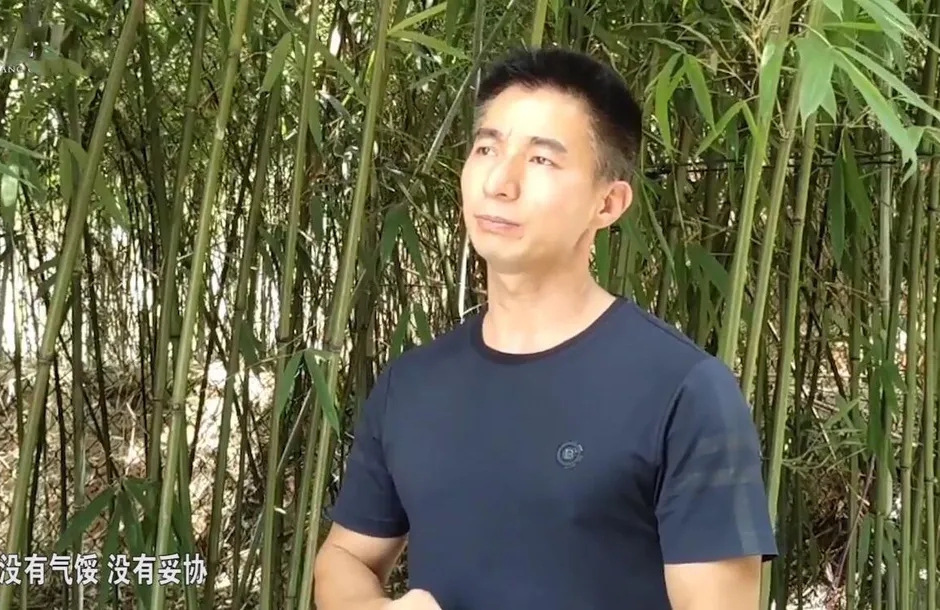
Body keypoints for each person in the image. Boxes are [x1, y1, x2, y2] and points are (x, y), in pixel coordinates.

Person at [312, 46, 778, 610]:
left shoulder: (684, 391)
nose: (500, 182)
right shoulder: (411, 384)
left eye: (541, 160)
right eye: (487, 148)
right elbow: (346, 556)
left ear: (608, 203)